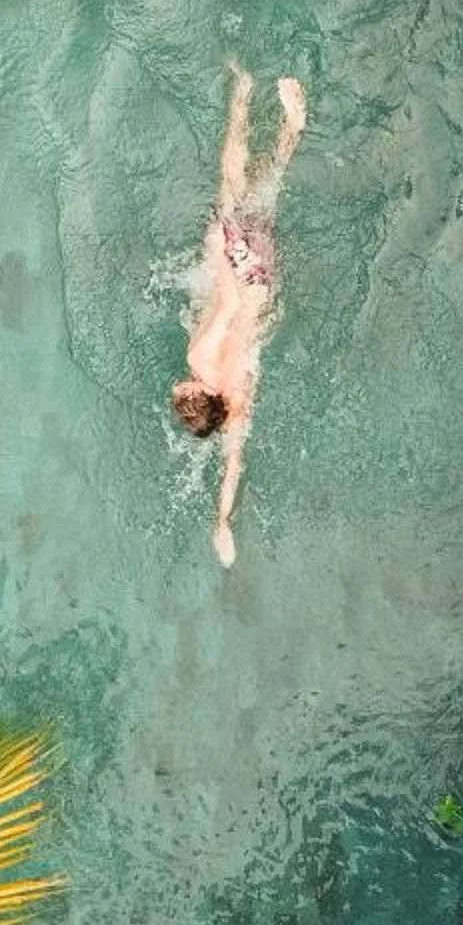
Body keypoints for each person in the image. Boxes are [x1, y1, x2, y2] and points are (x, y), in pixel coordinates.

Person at [173, 64, 306, 567]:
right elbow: (227, 304)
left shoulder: (237, 409)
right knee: (233, 185)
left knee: (269, 194)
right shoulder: (200, 358)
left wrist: (222, 522)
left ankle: (292, 129)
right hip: (241, 277)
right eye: (181, 396)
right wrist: (219, 248)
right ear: (196, 392)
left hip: (265, 289)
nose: (177, 391)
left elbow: (234, 466)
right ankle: (244, 93)